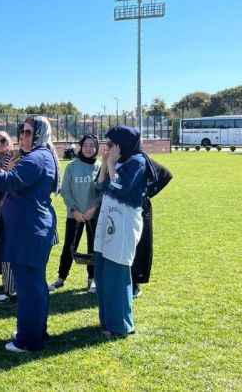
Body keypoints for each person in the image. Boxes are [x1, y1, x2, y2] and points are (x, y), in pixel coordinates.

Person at [0, 116, 60, 353]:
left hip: (30, 230)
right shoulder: (39, 156)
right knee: (33, 284)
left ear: (38, 134)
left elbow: (12, 180)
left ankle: (28, 339)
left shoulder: (38, 157)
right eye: (21, 132)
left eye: (27, 132)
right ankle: (35, 331)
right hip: (29, 229)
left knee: (29, 287)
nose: (22, 137)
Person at [94, 126, 151, 337]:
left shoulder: (137, 162)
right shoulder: (115, 161)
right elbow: (100, 187)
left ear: (122, 144)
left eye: (110, 144)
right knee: (103, 272)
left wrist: (110, 164)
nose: (107, 148)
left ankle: (121, 326)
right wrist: (105, 164)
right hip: (108, 220)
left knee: (117, 273)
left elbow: (120, 186)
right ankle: (108, 321)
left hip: (124, 223)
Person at [50, 134, 102, 294]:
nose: (89, 148)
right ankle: (61, 278)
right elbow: (65, 191)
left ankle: (92, 280)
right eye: (85, 145)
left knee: (94, 247)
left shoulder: (100, 166)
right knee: (69, 247)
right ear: (81, 146)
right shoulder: (72, 166)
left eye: (92, 145)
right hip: (75, 215)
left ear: (96, 148)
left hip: (93, 215)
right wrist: (74, 210)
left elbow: (102, 191)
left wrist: (92, 209)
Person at [131, 157, 173, 298]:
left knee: (141, 245)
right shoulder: (119, 159)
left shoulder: (142, 160)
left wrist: (148, 192)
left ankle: (136, 282)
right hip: (121, 209)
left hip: (141, 209)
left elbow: (165, 174)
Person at [0, 131, 17, 302]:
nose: (0, 145)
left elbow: (14, 181)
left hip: (15, 209)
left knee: (13, 248)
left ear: (10, 141)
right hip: (1, 210)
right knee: (3, 247)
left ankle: (12, 286)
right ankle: (8, 284)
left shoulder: (18, 158)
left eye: (3, 141)